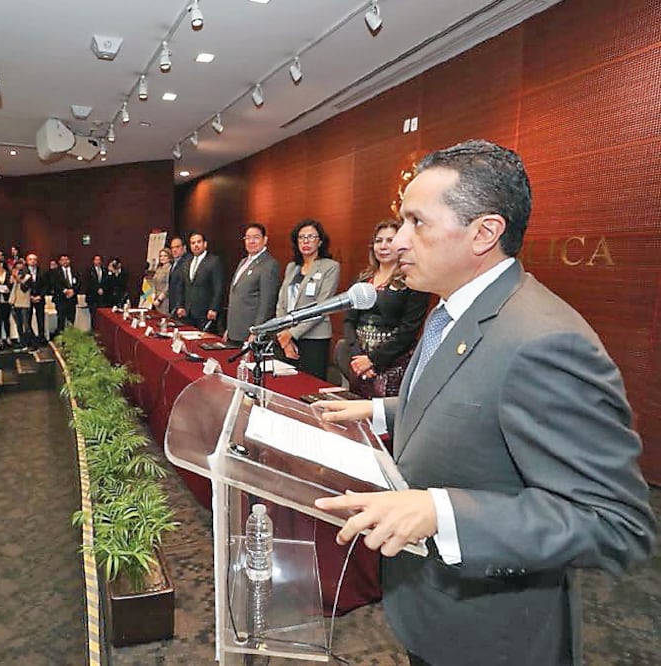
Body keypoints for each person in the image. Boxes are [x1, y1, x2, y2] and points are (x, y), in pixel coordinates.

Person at [313, 140, 656, 666]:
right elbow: (470, 398)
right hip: (430, 607)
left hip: (491, 638)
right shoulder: (452, 308)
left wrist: (441, 512)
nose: (398, 241)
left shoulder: (545, 341)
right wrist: (379, 411)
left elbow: (614, 523)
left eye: (417, 223)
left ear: (484, 233)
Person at [337, 220, 431, 399]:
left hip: (393, 364)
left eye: (390, 240)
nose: (383, 246)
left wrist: (373, 360)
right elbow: (349, 320)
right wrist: (358, 358)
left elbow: (409, 329)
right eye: (378, 241)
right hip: (358, 363)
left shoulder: (413, 280)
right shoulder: (363, 279)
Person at [274, 219, 340, 380]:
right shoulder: (292, 267)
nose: (306, 241)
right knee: (286, 383)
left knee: (309, 384)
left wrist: (292, 334)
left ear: (320, 241)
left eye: (311, 237)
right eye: (301, 237)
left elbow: (322, 308)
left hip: (314, 339)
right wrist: (284, 335)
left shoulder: (330, 267)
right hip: (287, 337)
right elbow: (281, 303)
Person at [225, 223, 282, 345]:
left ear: (265, 240)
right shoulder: (243, 262)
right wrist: (229, 328)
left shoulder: (269, 264)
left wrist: (257, 331)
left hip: (250, 333)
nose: (251, 241)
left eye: (256, 237)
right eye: (248, 238)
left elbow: (267, 302)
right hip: (235, 330)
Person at [175, 233, 224, 331]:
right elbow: (181, 286)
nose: (196, 245)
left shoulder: (214, 261)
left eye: (199, 242)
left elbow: (218, 287)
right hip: (187, 313)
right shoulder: (186, 261)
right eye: (193, 243)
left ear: (205, 244)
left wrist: (214, 308)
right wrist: (180, 306)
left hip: (206, 313)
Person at [23, 254, 49, 346]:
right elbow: (21, 286)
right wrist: (30, 296)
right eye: (30, 259)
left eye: (34, 259)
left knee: (41, 319)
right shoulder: (23, 271)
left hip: (39, 298)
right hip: (27, 299)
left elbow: (46, 286)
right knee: (27, 320)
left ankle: (41, 338)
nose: (33, 261)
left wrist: (40, 296)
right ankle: (30, 339)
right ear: (27, 261)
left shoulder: (42, 271)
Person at [51, 254, 80, 336]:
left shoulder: (75, 271)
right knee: (61, 319)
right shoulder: (55, 272)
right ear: (60, 262)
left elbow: (79, 282)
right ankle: (61, 337)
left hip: (72, 299)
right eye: (63, 260)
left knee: (71, 319)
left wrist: (73, 291)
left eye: (67, 259)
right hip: (61, 299)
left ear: (69, 261)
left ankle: (70, 337)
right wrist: (65, 291)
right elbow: (54, 284)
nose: (65, 261)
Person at [8, 262, 32, 349]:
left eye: (20, 269)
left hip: (24, 303)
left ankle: (29, 342)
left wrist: (16, 277)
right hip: (15, 302)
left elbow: (24, 288)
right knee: (18, 324)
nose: (17, 271)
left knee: (26, 324)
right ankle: (21, 342)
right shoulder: (13, 277)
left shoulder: (28, 277)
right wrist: (12, 279)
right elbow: (10, 287)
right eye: (16, 268)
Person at [166, 237, 189, 321]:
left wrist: (181, 306)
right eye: (172, 248)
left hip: (182, 307)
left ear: (184, 248)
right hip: (173, 305)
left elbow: (185, 286)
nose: (174, 250)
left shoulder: (187, 262)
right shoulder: (174, 262)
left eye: (177, 247)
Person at [83, 254, 106, 326]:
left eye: (99, 260)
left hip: (102, 297)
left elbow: (107, 282)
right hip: (92, 296)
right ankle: (93, 329)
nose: (98, 261)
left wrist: (103, 289)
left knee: (102, 315)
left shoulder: (104, 270)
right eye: (96, 260)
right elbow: (87, 283)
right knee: (93, 315)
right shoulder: (89, 270)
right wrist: (97, 289)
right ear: (93, 261)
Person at [150, 248, 173, 315]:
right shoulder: (159, 268)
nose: (162, 258)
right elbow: (154, 283)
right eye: (160, 256)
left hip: (165, 299)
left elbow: (168, 286)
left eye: (165, 256)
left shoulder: (170, 268)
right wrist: (153, 294)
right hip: (156, 298)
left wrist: (160, 299)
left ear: (169, 257)